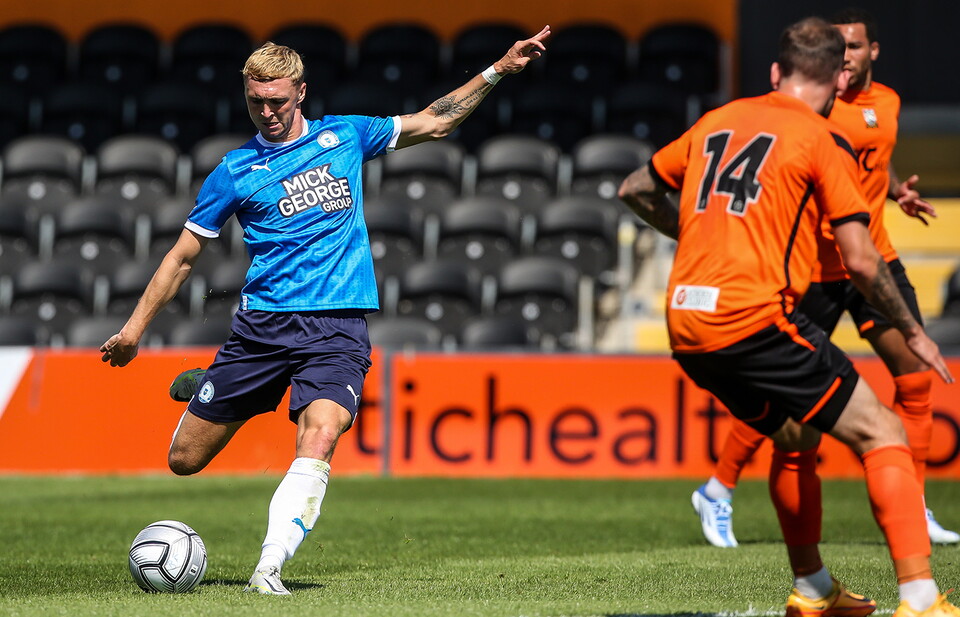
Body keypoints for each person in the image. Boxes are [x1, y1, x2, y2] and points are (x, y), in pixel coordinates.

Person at [100, 27, 551, 595]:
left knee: (321, 433)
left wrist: (498, 70)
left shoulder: (346, 135)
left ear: (302, 93)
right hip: (262, 330)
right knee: (184, 461)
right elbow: (183, 256)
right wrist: (133, 331)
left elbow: (435, 120)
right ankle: (219, 383)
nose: (267, 111)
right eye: (256, 101)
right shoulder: (235, 171)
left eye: (278, 100)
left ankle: (268, 568)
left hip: (336, 325)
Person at [618, 16, 957, 617]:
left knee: (794, 434)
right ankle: (922, 599)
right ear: (835, 82)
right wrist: (912, 331)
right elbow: (859, 258)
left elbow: (635, 190)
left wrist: (692, 231)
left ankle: (815, 591)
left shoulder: (717, 120)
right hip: (752, 318)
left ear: (775, 73)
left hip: (687, 324)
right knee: (884, 433)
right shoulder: (819, 138)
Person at [691, 8, 958, 550]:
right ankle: (718, 488)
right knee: (786, 400)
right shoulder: (813, 110)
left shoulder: (888, 103)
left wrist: (893, 191)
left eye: (856, 47)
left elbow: (870, 162)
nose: (848, 58)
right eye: (841, 49)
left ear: (873, 52)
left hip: (871, 260)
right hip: (814, 266)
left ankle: (918, 504)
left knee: (914, 375)